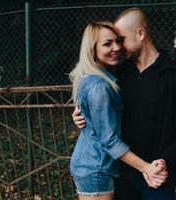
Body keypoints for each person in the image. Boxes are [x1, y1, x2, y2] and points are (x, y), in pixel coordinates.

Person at [72, 8, 176, 200]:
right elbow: (99, 107)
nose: (117, 46)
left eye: (121, 39)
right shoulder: (117, 74)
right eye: (112, 41)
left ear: (140, 34)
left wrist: (165, 161)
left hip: (158, 177)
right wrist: (81, 116)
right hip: (121, 175)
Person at [69, 21, 168, 200]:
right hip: (95, 167)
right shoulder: (99, 85)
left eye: (117, 41)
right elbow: (109, 140)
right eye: (107, 43)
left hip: (93, 165)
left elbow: (91, 116)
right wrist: (146, 168)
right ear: (92, 48)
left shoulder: (96, 76)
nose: (116, 47)